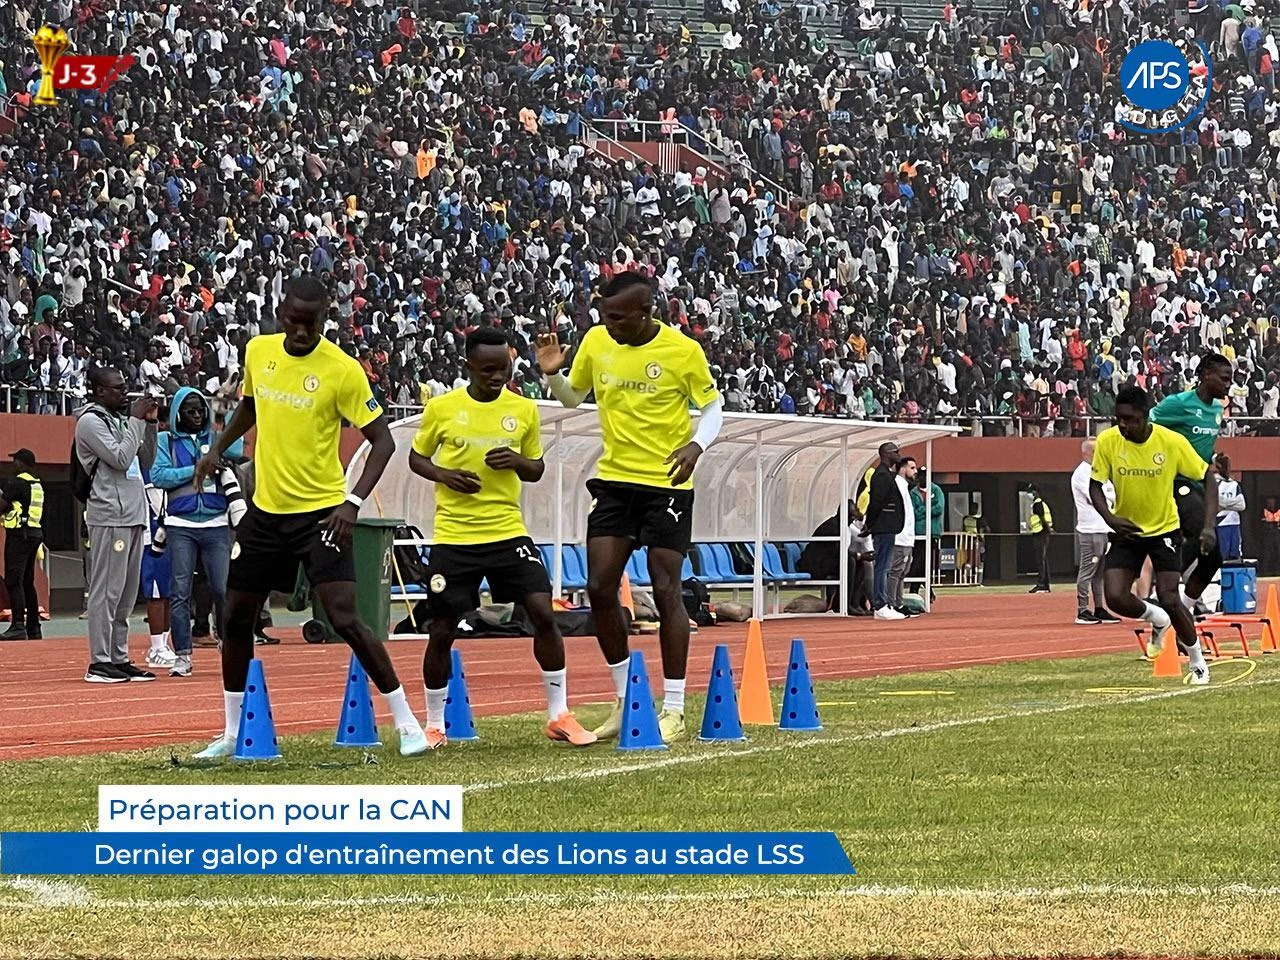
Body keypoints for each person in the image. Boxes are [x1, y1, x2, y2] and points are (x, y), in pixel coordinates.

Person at [191, 276, 427, 758]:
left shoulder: (343, 371)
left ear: (325, 319)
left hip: (321, 517)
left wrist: (352, 502)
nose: (301, 331)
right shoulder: (258, 352)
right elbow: (249, 410)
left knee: (346, 619)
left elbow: (382, 441)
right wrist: (216, 449)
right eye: (293, 321)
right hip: (264, 514)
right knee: (235, 616)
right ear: (281, 314)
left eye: (311, 323)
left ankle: (407, 723)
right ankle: (233, 733)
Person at [536, 271, 724, 743]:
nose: (609, 324)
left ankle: (675, 707)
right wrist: (554, 372)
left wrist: (696, 447)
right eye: (605, 315)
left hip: (667, 484)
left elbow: (712, 408)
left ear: (646, 312)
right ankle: (626, 700)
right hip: (615, 483)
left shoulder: (683, 351)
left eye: (619, 317)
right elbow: (573, 399)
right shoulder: (597, 341)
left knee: (666, 589)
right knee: (599, 586)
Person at [408, 325, 595, 748]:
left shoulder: (523, 409)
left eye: (504, 367)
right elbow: (417, 457)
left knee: (542, 614)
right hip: (455, 537)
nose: (497, 376)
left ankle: (558, 714)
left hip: (508, 531)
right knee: (442, 628)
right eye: (488, 369)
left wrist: (514, 460)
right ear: (468, 366)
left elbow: (536, 469)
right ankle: (435, 725)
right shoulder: (442, 408)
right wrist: (445, 475)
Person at [1089, 385, 1216, 685]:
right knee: (1116, 599)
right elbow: (1095, 485)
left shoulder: (1171, 442)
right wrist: (1110, 517)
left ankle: (1198, 663)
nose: (1123, 425)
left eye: (1130, 419)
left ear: (1146, 417)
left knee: (1171, 597)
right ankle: (1156, 618)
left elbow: (1207, 476)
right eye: (1118, 418)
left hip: (1164, 530)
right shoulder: (1108, 442)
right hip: (1127, 530)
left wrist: (1208, 526)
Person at [151, 388, 246, 678]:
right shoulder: (165, 440)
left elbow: (237, 449)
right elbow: (159, 475)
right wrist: (197, 469)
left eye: (201, 410)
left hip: (216, 523)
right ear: (178, 413)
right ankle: (182, 655)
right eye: (190, 410)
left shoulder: (215, 439)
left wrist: (228, 407)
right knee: (180, 591)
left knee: (222, 588)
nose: (196, 415)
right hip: (181, 525)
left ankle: (228, 642)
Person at [76, 367, 159, 683]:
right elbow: (121, 458)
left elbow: (146, 460)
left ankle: (119, 657)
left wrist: (147, 423)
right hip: (110, 515)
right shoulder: (90, 422)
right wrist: (137, 420)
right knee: (106, 592)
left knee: (125, 595)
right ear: (98, 391)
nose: (125, 394)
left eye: (125, 387)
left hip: (134, 515)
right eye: (118, 388)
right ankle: (99, 661)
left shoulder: (123, 422)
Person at [1149, 353, 1233, 614]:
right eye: (1224, 379)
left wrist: (1216, 459)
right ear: (1206, 374)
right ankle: (1159, 591)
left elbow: (1203, 449)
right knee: (1200, 536)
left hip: (1200, 482)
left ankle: (1181, 611)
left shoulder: (1217, 411)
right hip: (1176, 482)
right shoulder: (1178, 404)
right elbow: (1145, 425)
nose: (1229, 384)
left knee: (1214, 557)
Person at [1071, 439, 1120, 625]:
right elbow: (1096, 497)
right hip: (1090, 530)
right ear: (1087, 453)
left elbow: (1112, 497)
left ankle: (1099, 607)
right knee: (1087, 570)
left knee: (1099, 572)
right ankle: (1082, 610)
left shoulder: (1100, 472)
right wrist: (1108, 499)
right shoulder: (1082, 473)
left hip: (1103, 528)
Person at [2, 448, 44, 640]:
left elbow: (2, 505)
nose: (13, 464)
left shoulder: (17, 482)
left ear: (23, 463)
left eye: (16, 461)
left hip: (19, 534)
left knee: (13, 579)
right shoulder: (36, 483)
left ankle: (18, 625)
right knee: (28, 581)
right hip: (34, 533)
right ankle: (33, 627)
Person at [862, 441, 906, 620]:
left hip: (887, 526)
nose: (899, 454)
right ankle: (880, 605)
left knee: (884, 566)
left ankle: (883, 603)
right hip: (883, 527)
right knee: (882, 566)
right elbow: (876, 503)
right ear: (887, 454)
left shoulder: (887, 474)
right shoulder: (881, 475)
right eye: (896, 452)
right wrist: (870, 525)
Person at [139, 468, 175, 670]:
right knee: (156, 593)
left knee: (168, 592)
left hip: (170, 538)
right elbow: (160, 505)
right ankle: (156, 647)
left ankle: (163, 644)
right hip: (151, 540)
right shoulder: (148, 473)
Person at [887, 455, 918, 616]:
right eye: (912, 468)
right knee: (895, 571)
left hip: (907, 537)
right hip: (900, 537)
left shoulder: (905, 487)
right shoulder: (897, 485)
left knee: (902, 572)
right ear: (903, 468)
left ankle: (898, 603)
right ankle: (891, 603)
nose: (915, 471)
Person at [1213, 453, 1245, 561]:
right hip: (1220, 523)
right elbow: (1216, 503)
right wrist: (1233, 503)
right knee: (1221, 556)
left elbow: (1242, 505)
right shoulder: (1214, 482)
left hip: (1234, 523)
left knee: (1235, 555)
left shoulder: (1234, 484)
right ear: (1218, 467)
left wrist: (1225, 504)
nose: (1228, 468)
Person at [1026, 481, 1053, 593]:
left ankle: (1041, 583)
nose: (1030, 494)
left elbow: (1042, 518)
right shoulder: (1041, 503)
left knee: (1040, 560)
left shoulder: (1038, 504)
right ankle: (1045, 584)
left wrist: (1048, 529)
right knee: (1043, 559)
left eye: (1031, 492)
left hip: (1040, 533)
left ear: (1036, 492)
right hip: (1041, 532)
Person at [1261, 496, 1280, 576]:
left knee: (1278, 552)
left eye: (1272, 502)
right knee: (1267, 553)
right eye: (1269, 502)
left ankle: (1277, 570)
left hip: (1277, 534)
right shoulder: (1263, 511)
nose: (1271, 504)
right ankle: (1265, 571)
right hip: (1267, 535)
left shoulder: (1278, 511)